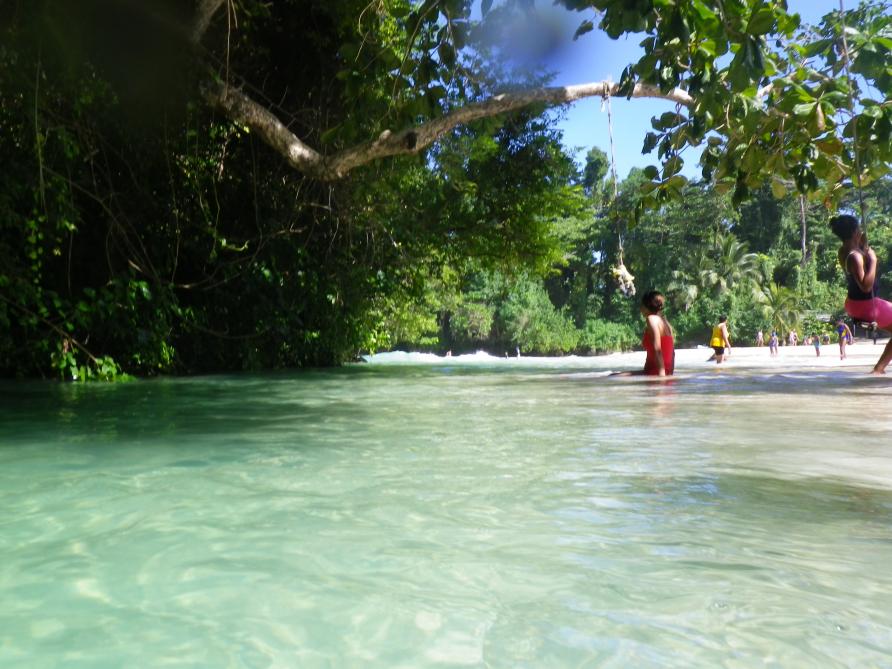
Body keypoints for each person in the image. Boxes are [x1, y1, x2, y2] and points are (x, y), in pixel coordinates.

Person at [829, 214, 892, 374]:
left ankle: (879, 369)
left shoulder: (844, 251)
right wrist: (874, 261)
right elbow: (866, 287)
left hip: (854, 303)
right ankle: (878, 369)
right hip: (866, 305)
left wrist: (862, 247)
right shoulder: (855, 257)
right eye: (858, 229)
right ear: (855, 231)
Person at [614, 291, 674, 377]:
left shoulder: (651, 319)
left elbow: (657, 350)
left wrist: (662, 377)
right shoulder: (666, 322)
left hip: (656, 372)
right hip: (659, 371)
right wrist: (670, 373)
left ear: (647, 305)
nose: (640, 308)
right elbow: (672, 353)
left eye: (642, 305)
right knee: (615, 375)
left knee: (613, 377)